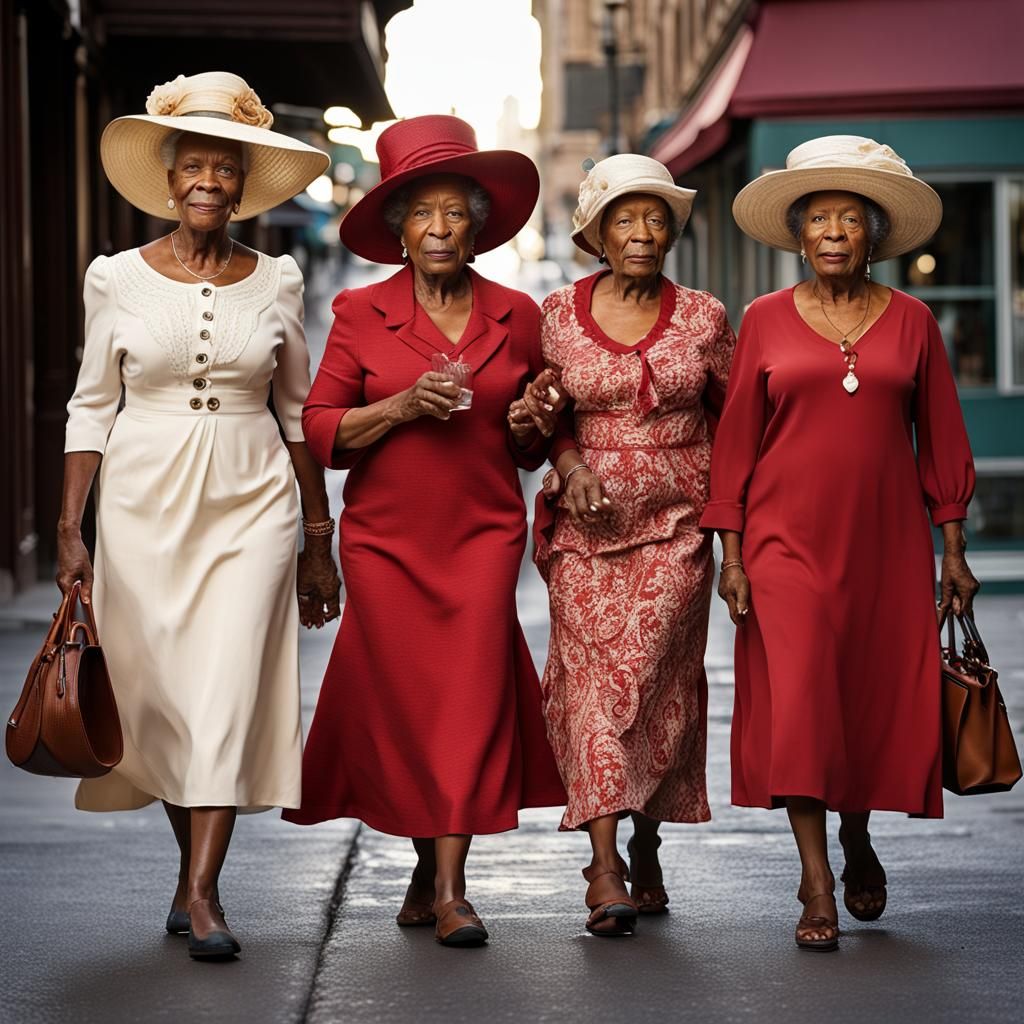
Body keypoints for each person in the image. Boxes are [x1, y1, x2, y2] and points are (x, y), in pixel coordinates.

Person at [58, 71, 341, 961]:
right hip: (142, 506)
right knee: (166, 702)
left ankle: (204, 894)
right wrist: (71, 528)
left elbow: (296, 412)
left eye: (225, 166)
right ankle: (192, 876)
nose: (208, 180)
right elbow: (88, 407)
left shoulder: (281, 280)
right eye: (194, 165)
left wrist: (316, 537)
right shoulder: (117, 280)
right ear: (171, 178)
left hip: (251, 501)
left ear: (243, 182)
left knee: (224, 690)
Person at [282, 115, 566, 948]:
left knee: (469, 703)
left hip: (480, 538)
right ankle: (424, 864)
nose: (439, 229)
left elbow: (531, 442)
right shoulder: (362, 313)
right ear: (398, 228)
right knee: (409, 711)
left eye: (454, 212)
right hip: (385, 542)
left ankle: (451, 889)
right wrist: (403, 406)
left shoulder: (518, 315)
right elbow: (323, 426)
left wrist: (532, 419)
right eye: (422, 213)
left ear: (477, 224)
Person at [701, 136, 978, 952]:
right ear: (799, 235)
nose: (831, 232)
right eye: (817, 218)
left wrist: (952, 547)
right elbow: (737, 446)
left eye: (848, 220)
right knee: (802, 702)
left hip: (886, 545)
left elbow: (943, 440)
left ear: (872, 235)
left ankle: (857, 836)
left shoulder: (915, 322)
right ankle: (817, 880)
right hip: (786, 544)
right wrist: (733, 555)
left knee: (858, 703)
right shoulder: (763, 320)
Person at [520, 154, 734, 936]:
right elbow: (546, 417)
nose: (642, 233)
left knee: (652, 683)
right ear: (598, 234)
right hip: (584, 531)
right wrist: (568, 461)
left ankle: (645, 838)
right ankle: (605, 866)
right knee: (591, 684)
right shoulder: (555, 313)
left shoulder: (706, 316)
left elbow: (737, 420)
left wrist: (737, 534)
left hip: (678, 529)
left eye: (655, 219)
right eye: (624, 218)